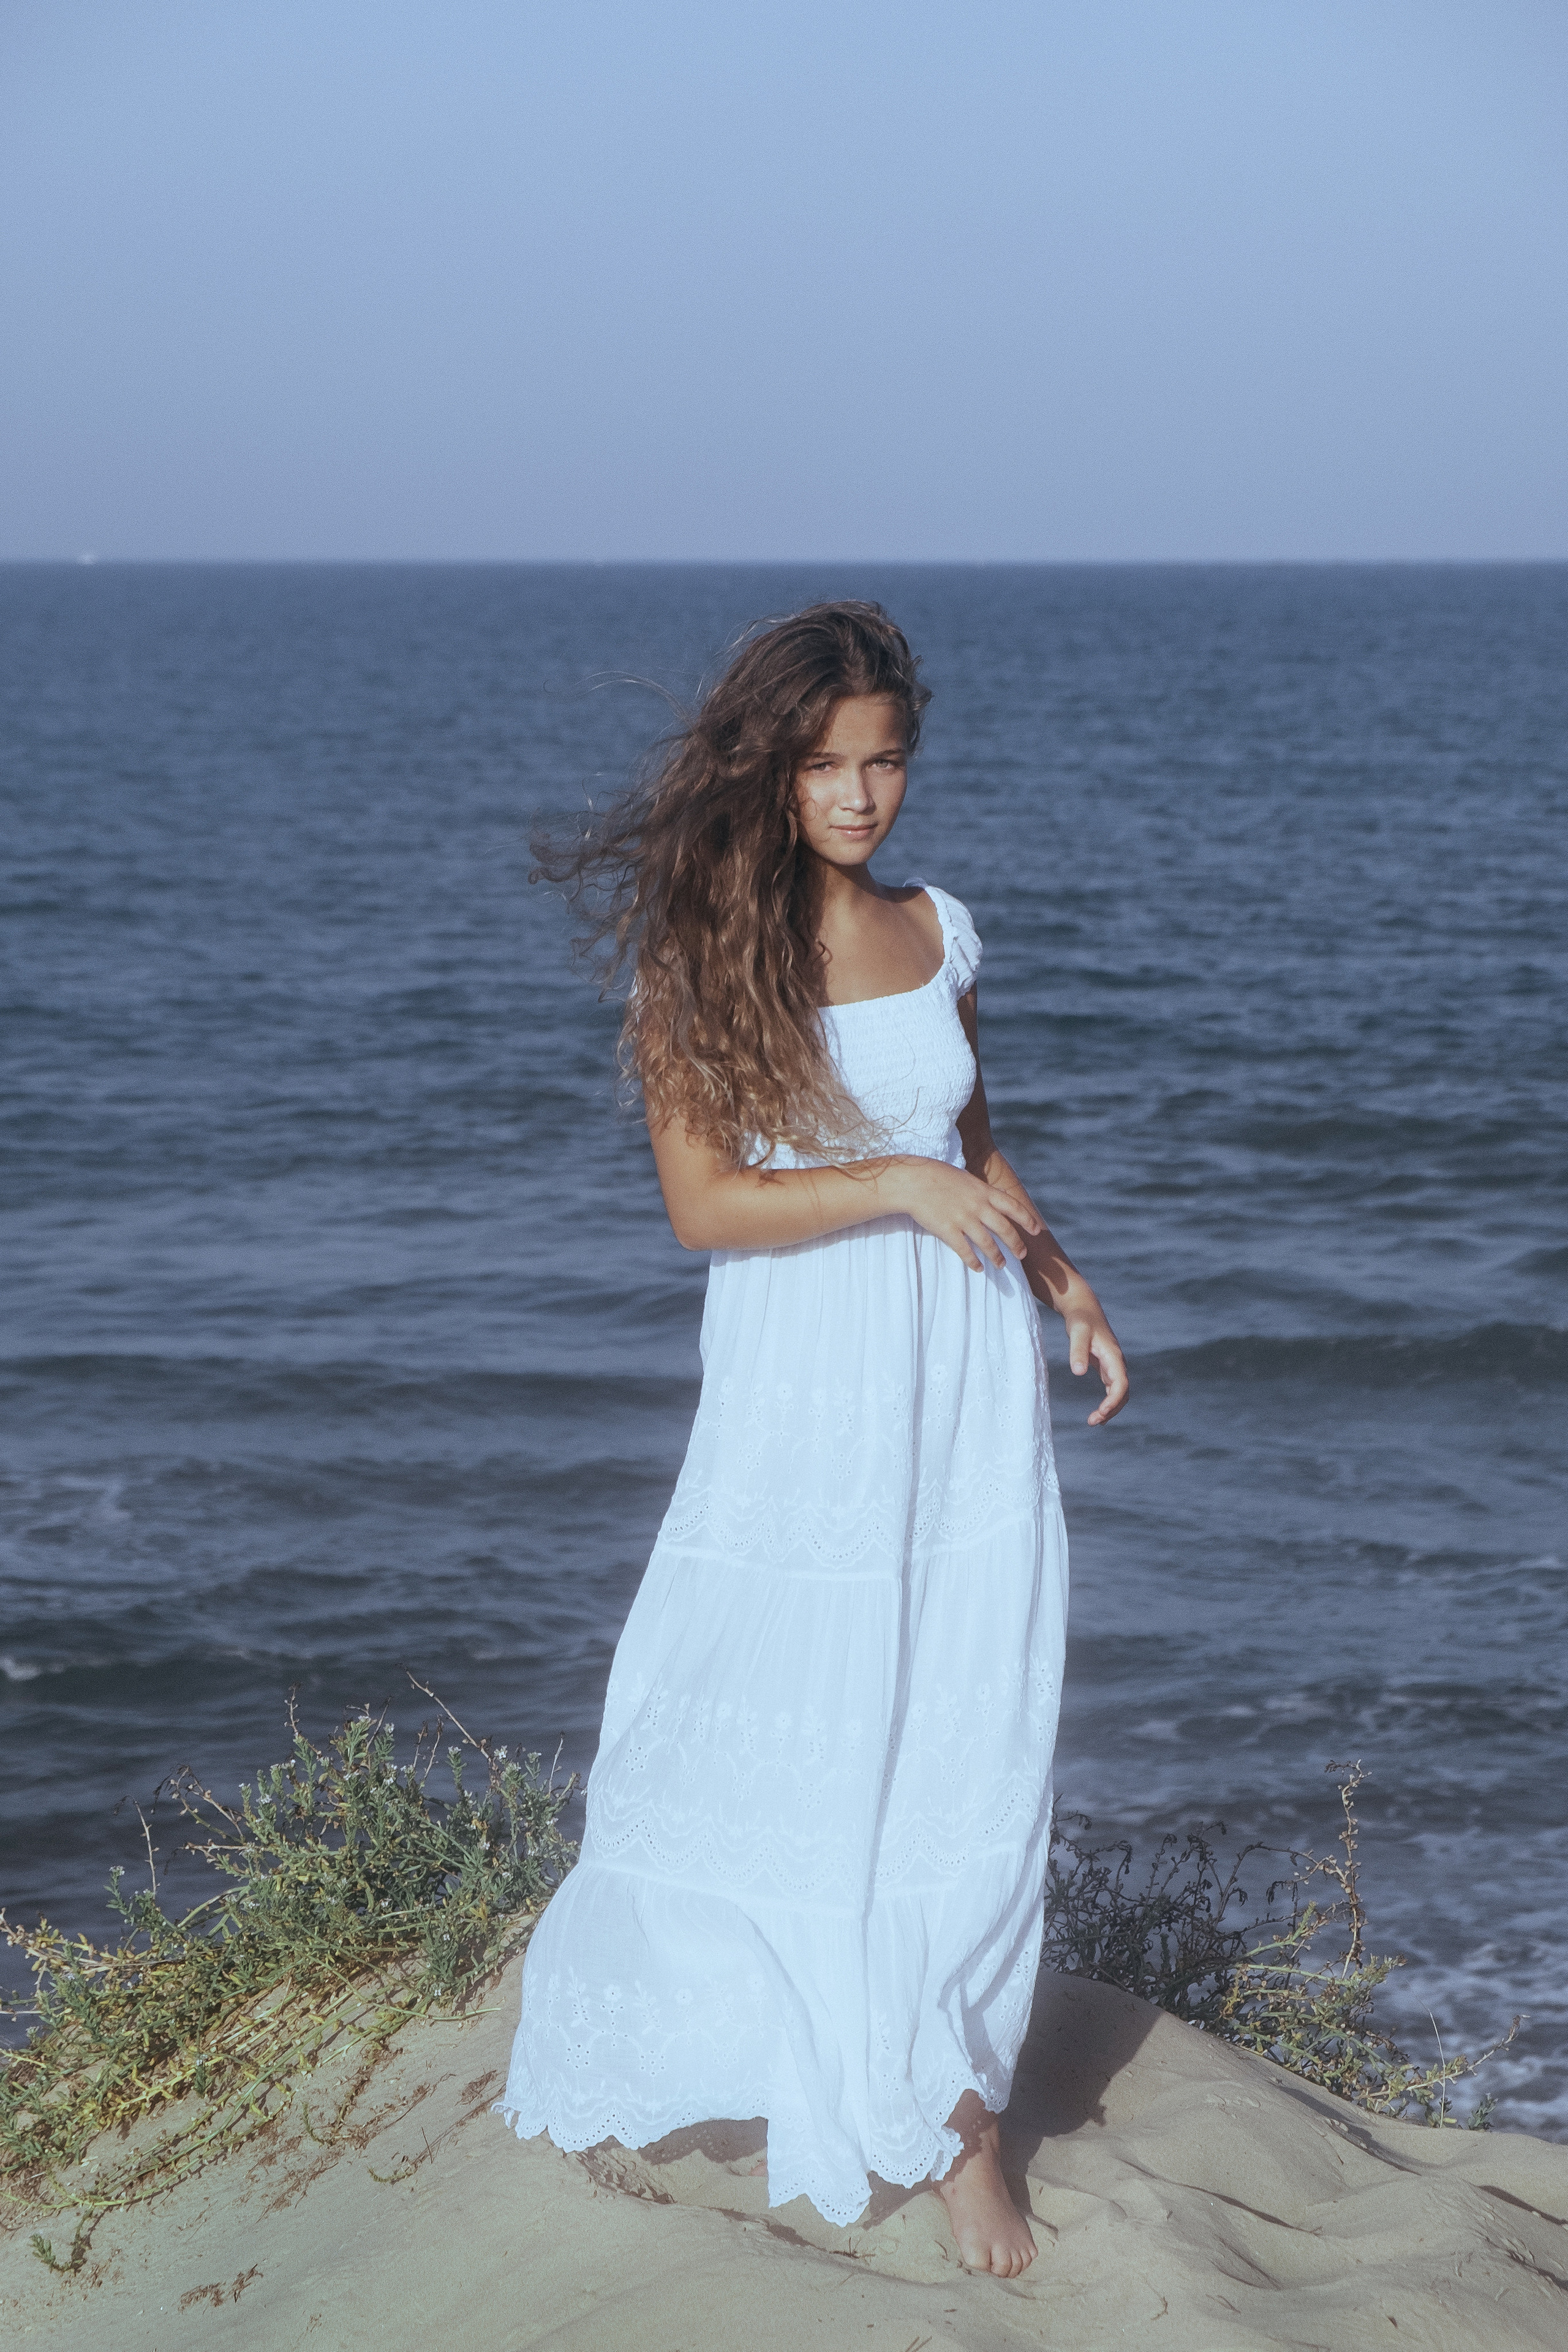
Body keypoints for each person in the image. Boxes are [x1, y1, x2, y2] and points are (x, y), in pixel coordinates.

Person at [500, 601, 1128, 2275]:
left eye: (886, 761)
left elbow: (973, 1146)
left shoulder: (937, 932)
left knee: (959, 1721)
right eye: (827, 765)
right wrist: (896, 1188)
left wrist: (1062, 1277)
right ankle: (839, 2067)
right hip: (806, 1390)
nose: (860, 796)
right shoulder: (706, 957)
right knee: (783, 1699)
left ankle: (950, 2099)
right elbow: (706, 1206)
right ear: (768, 769)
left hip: (963, 1388)